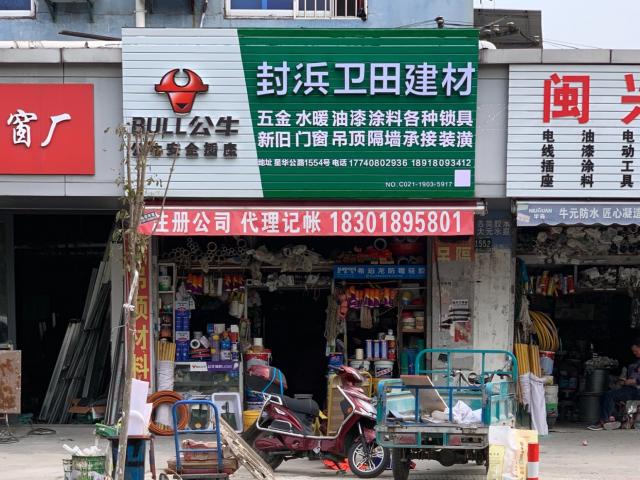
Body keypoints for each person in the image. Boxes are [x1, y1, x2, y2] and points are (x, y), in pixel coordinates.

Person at [587, 340, 640, 431]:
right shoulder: (637, 362)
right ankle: (611, 418)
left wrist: (633, 381)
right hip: (631, 388)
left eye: (636, 351)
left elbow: (636, 380)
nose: (634, 353)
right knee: (605, 395)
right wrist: (624, 381)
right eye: (633, 351)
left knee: (610, 395)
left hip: (637, 390)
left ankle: (604, 421)